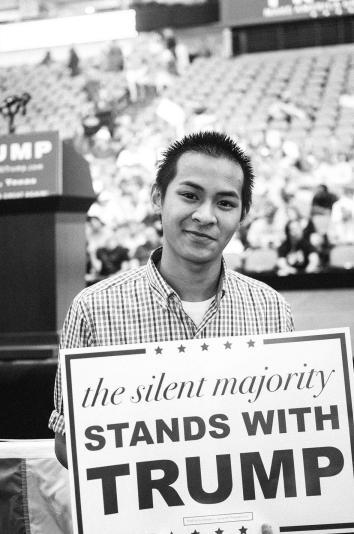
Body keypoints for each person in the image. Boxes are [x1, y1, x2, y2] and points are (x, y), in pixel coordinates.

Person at [50, 131, 294, 472]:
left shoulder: (270, 310)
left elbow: (289, 431)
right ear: (158, 197)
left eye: (225, 203)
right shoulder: (93, 309)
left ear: (243, 214)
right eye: (190, 195)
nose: (205, 215)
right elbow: (67, 442)